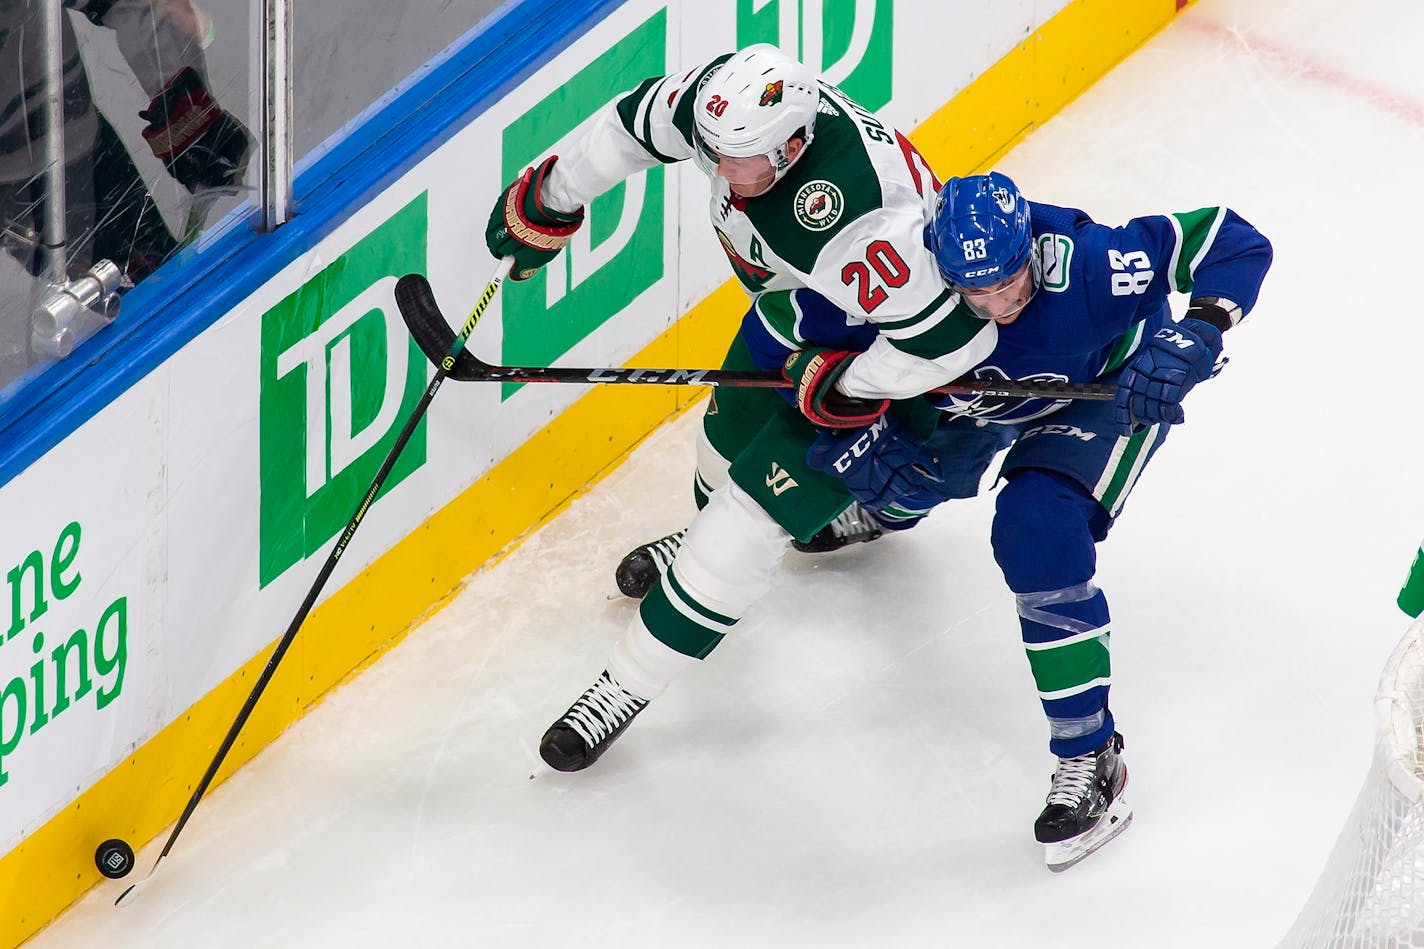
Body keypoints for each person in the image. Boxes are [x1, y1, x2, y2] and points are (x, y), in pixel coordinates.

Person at [485, 45, 998, 774]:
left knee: (743, 525)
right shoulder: (729, 110)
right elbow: (634, 123)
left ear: (793, 148)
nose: (723, 174)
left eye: (743, 160)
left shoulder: (863, 220)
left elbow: (957, 339)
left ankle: (618, 689)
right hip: (796, 315)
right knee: (722, 438)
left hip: (888, 370)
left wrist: (852, 383)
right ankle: (714, 533)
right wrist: (555, 196)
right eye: (715, 153)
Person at [794, 171, 1270, 870]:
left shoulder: (1090, 266)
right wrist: (843, 422)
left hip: (1102, 390)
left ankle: (1089, 751)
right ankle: (887, 511)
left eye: (1011, 280)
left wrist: (1199, 330)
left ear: (1030, 251)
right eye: (975, 291)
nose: (998, 302)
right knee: (908, 471)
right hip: (982, 392)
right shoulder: (901, 277)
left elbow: (1228, 236)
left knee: (1034, 526)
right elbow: (809, 343)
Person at [0, 0, 250, 383]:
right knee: (64, 370)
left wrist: (186, 110)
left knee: (166, 321)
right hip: (25, 191)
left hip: (80, 151)